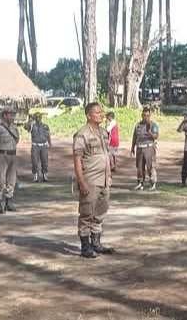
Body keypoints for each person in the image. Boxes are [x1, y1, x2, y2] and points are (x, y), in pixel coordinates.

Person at [73, 102, 115, 259]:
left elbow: (106, 156)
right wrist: (82, 182)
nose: (101, 114)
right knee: (86, 214)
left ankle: (96, 243)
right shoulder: (82, 134)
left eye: (101, 112)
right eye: (97, 112)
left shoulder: (104, 133)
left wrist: (109, 176)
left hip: (104, 180)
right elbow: (77, 160)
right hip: (90, 179)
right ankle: (85, 247)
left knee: (100, 212)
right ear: (88, 115)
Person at [0, 109, 20, 214]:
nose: (12, 117)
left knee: (12, 179)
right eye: (10, 114)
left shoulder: (14, 128)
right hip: (3, 155)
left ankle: (9, 201)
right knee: (0, 179)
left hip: (13, 155)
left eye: (13, 115)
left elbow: (17, 140)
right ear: (5, 115)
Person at [130, 107, 160, 190]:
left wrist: (150, 132)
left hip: (149, 148)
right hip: (139, 148)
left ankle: (153, 183)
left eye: (147, 115)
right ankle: (140, 182)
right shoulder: (138, 125)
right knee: (139, 166)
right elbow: (134, 136)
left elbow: (156, 136)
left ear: (150, 116)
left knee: (150, 166)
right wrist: (132, 147)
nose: (145, 117)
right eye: (144, 115)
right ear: (141, 115)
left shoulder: (153, 125)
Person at [27, 112, 51, 183]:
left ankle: (45, 175)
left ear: (41, 118)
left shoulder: (45, 126)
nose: (38, 119)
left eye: (39, 117)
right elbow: (26, 127)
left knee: (45, 161)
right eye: (36, 117)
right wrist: (30, 120)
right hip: (35, 145)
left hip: (44, 145)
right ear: (35, 118)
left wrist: (50, 143)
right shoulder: (32, 126)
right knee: (34, 161)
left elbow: (48, 135)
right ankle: (35, 175)